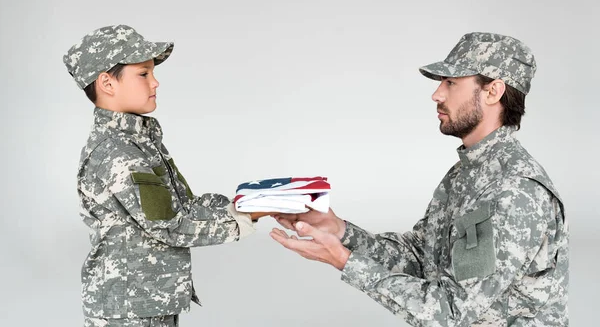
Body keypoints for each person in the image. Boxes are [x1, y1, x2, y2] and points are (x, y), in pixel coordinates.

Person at [271, 32, 569, 326]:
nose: (437, 94)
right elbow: (421, 257)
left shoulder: (514, 190)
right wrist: (339, 232)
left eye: (451, 83)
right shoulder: (468, 173)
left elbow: (452, 312)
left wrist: (344, 260)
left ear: (493, 91)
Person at [64, 25, 271, 327]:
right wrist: (246, 217)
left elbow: (184, 207)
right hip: (128, 311)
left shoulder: (139, 142)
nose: (155, 82)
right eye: (143, 73)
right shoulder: (117, 152)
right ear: (107, 83)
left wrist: (244, 205)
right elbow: (170, 227)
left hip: (146, 305)